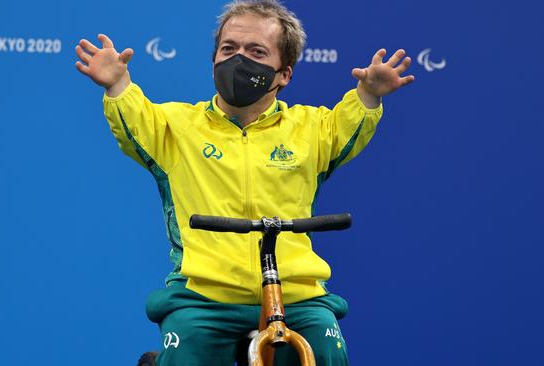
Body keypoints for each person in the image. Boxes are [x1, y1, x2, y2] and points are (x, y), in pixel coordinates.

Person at [75, 1, 413, 365]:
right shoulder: (176, 126)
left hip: (297, 296)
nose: (239, 59)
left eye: (256, 51)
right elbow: (134, 119)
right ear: (214, 60)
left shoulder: (313, 129)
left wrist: (370, 94)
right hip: (204, 296)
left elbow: (350, 125)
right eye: (229, 49)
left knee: (327, 352)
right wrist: (117, 84)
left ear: (283, 74)